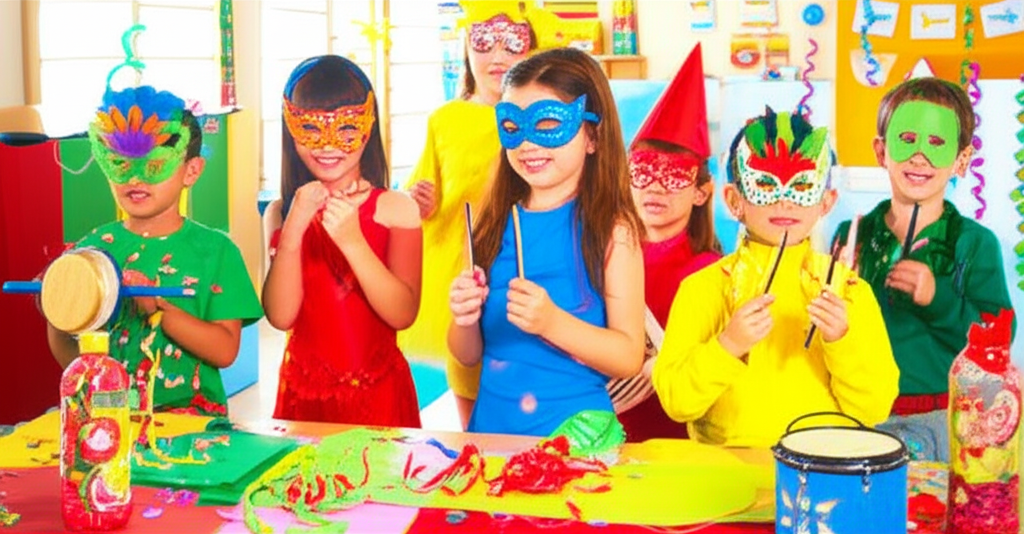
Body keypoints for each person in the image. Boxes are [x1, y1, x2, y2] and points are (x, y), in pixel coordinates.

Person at [652, 108, 900, 447]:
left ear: (826, 201)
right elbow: (676, 401)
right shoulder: (704, 289)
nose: (784, 202)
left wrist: (843, 340)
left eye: (801, 186)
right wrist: (728, 346)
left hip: (820, 469)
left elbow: (875, 409)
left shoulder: (849, 292)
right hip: (729, 470)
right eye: (766, 184)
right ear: (734, 200)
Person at [447, 47, 646, 437]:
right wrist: (463, 318)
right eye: (512, 127)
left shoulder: (612, 231)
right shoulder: (489, 226)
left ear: (592, 135)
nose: (527, 144)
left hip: (578, 442)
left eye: (548, 123)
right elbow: (467, 355)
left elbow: (628, 356)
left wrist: (552, 322)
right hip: (493, 436)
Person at [47, 84, 263, 417]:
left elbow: (225, 350)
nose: (135, 179)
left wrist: (158, 309)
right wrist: (58, 309)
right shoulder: (90, 252)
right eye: (120, 165)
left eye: (153, 166)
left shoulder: (217, 252)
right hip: (109, 421)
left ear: (191, 171)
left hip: (191, 424)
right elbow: (74, 359)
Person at [832, 77, 1014, 461]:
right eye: (907, 139)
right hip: (859, 414)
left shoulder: (975, 243)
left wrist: (939, 300)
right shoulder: (853, 236)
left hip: (941, 417)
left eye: (936, 144)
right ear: (881, 151)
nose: (919, 157)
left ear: (961, 160)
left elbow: (998, 338)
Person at [262, 55, 423, 427]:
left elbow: (403, 313)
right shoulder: (280, 211)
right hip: (303, 399)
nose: (328, 145)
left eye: (347, 128)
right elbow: (281, 316)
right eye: (311, 129)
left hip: (377, 398)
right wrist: (293, 234)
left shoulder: (396, 208)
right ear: (291, 129)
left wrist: (353, 243)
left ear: (368, 127)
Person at [401, 0, 536, 429]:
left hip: (528, 266)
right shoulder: (446, 120)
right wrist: (419, 202)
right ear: (466, 50)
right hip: (466, 274)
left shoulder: (540, 119)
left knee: (527, 374)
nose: (497, 57)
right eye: (483, 43)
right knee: (469, 379)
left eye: (511, 43)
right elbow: (424, 195)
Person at [612, 43, 723, 443]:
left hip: (680, 433)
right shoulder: (604, 254)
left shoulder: (712, 271)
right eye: (643, 171)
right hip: (605, 429)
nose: (656, 187)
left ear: (701, 192)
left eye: (674, 175)